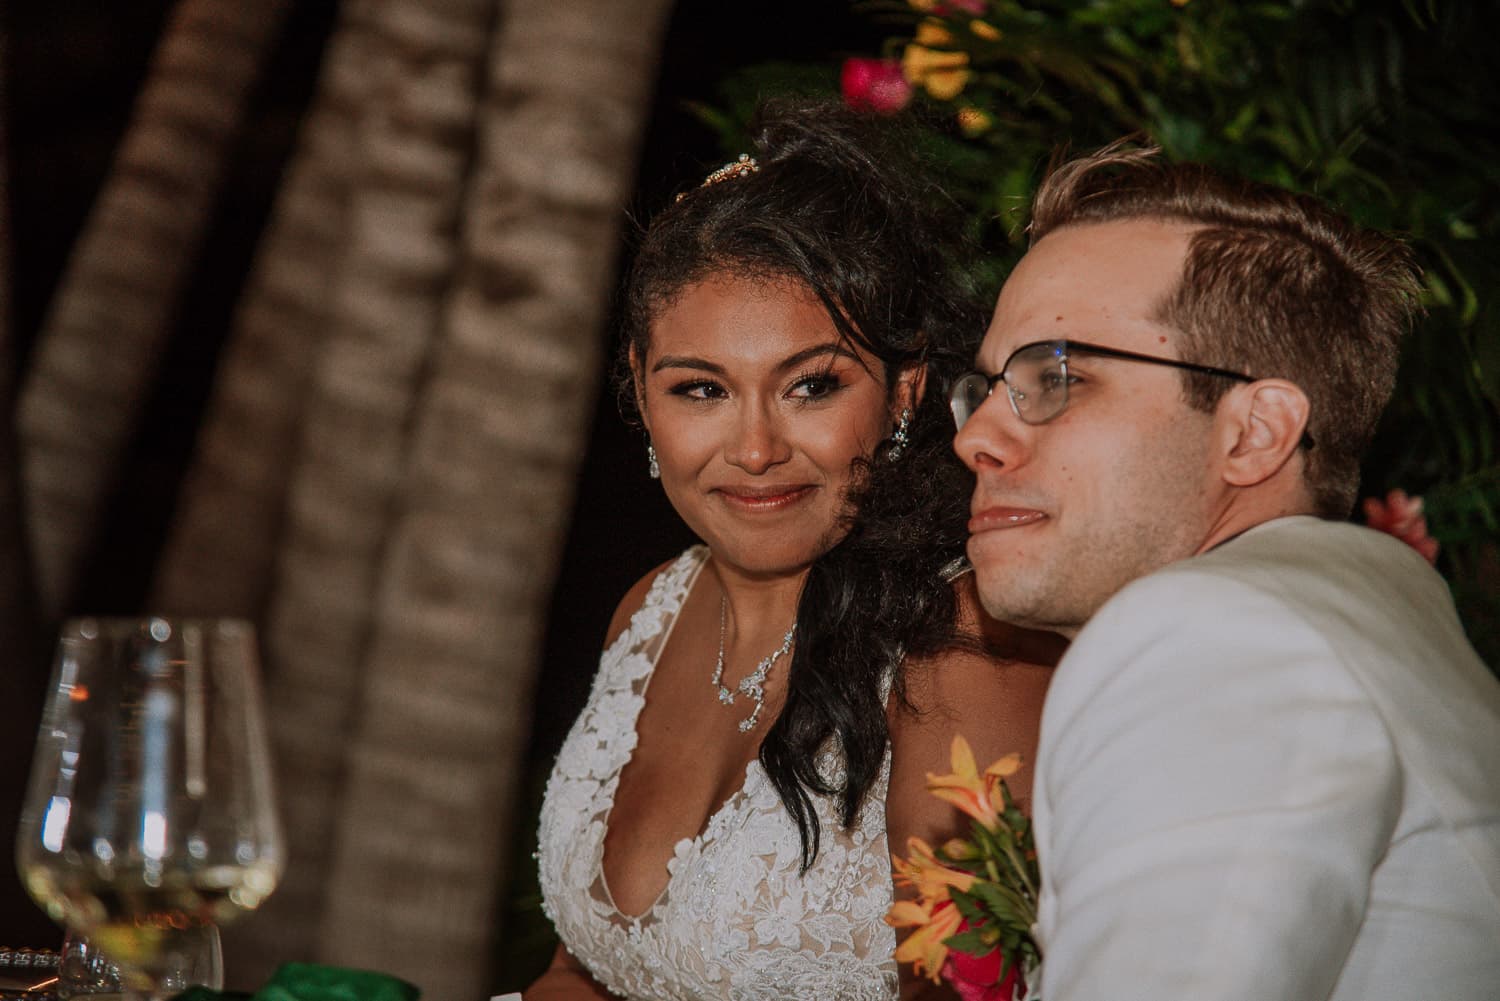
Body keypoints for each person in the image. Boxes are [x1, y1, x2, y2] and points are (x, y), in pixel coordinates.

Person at [527, 101, 1062, 1001]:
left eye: (811, 385)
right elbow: (586, 971)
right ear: (642, 396)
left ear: (904, 393)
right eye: (701, 389)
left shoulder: (965, 647)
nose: (756, 448)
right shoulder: (650, 611)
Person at [950, 143, 1500, 1000]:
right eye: (984, 387)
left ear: (1254, 433)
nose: (975, 435)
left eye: (1056, 377)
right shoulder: (1372, 607)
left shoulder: (1217, 635)